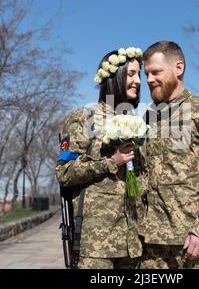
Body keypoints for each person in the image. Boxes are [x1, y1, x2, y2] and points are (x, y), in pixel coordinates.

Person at [139, 41, 199, 269]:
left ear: (179, 68)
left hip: (191, 245)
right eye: (146, 74)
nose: (149, 79)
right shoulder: (149, 117)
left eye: (156, 72)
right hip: (151, 248)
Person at [56, 47, 146, 269]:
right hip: (96, 244)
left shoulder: (136, 122)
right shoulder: (83, 118)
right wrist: (110, 163)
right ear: (115, 76)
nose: (139, 81)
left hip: (132, 241)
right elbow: (64, 173)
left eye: (139, 75)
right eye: (132, 74)